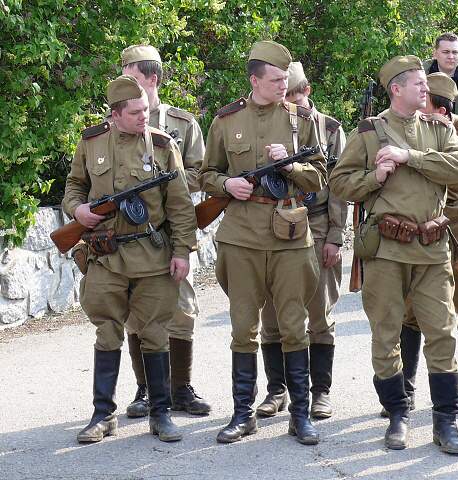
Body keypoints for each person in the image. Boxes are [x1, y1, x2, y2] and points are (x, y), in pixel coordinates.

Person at [330, 55, 458, 453]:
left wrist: (411, 157)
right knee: (386, 334)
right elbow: (339, 182)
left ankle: (446, 420)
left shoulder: (438, 128)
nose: (427, 88)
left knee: (441, 333)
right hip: (387, 251)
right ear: (396, 89)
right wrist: (374, 176)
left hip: (432, 249)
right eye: (418, 84)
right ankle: (397, 414)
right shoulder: (368, 133)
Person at [199, 41, 326, 446]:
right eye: (275, 80)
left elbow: (320, 177)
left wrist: (292, 161)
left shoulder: (301, 120)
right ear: (254, 80)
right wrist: (226, 184)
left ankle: (300, 415)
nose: (283, 86)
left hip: (289, 234)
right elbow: (206, 173)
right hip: (241, 237)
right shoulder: (226, 120)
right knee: (243, 329)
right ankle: (242, 414)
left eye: (285, 79)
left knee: (293, 327)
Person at [63, 75, 197, 443]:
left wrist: (182, 251)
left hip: (152, 256)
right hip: (105, 255)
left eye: (145, 110)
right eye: (136, 112)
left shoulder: (163, 145)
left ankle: (161, 414)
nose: (144, 116)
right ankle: (103, 415)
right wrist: (78, 209)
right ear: (115, 114)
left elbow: (180, 206)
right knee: (107, 332)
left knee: (154, 334)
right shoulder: (91, 142)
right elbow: (75, 185)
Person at [117, 45, 210, 418]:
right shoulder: (115, 123)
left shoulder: (182, 124)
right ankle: (146, 389)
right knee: (135, 311)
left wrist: (163, 182)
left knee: (182, 309)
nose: (125, 84)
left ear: (152, 78)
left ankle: (180, 388)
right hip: (132, 233)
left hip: (173, 230)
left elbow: (202, 173)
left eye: (132, 77)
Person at [390, 72, 458, 419]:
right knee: (411, 310)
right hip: (420, 229)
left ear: (441, 111)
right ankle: (406, 388)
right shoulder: (403, 130)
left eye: (425, 104)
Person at [257, 61, 348, 420]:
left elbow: (339, 186)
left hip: (318, 224)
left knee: (319, 312)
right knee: (271, 313)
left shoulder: (329, 128)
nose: (289, 102)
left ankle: (320, 392)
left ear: (306, 91)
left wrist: (336, 237)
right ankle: (276, 389)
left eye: (294, 95)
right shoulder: (270, 122)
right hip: (277, 225)